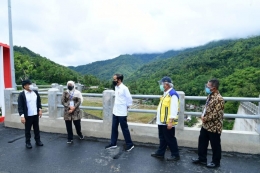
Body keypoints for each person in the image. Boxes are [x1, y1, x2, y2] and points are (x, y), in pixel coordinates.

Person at [192, 79, 224, 168]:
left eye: (208, 86)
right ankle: (202, 159)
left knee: (215, 145)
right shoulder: (210, 96)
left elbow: (217, 114)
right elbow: (206, 109)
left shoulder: (219, 99)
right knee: (202, 142)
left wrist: (205, 118)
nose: (206, 87)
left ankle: (216, 162)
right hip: (205, 125)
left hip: (214, 127)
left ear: (213, 88)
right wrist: (202, 116)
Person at [151, 76, 180, 161]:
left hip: (167, 122)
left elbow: (174, 109)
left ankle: (175, 155)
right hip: (162, 121)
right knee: (162, 138)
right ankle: (160, 153)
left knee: (170, 139)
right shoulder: (165, 93)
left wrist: (170, 121)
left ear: (166, 84)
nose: (161, 85)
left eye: (162, 84)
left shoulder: (173, 94)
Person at [105, 74, 134, 152]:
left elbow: (129, 100)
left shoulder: (124, 88)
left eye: (114, 79)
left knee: (124, 129)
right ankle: (113, 143)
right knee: (114, 128)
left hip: (122, 113)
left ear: (119, 80)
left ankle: (130, 144)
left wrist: (126, 108)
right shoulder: (116, 87)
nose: (113, 81)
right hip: (115, 111)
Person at [18, 79, 43, 149]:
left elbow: (38, 102)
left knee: (36, 128)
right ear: (24, 86)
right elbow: (20, 106)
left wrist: (40, 110)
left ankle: (38, 141)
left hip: (35, 114)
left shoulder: (35, 92)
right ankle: (28, 142)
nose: (30, 86)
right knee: (28, 129)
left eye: (30, 84)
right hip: (27, 115)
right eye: (29, 84)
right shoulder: (22, 95)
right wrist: (22, 116)